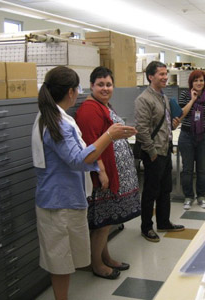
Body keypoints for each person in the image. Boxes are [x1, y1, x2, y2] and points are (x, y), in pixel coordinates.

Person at [31, 66, 136, 300]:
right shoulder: (57, 122)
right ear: (71, 91)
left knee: (66, 258)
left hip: (65, 198)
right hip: (59, 203)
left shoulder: (55, 116)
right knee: (60, 260)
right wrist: (109, 135)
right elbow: (79, 159)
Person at [75, 67, 140, 280]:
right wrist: (101, 172)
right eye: (100, 84)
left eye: (109, 84)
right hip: (103, 176)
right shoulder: (89, 109)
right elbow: (91, 142)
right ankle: (97, 265)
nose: (105, 88)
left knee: (107, 222)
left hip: (113, 174)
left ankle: (106, 257)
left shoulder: (103, 106)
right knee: (102, 224)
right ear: (91, 86)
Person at [134, 61, 185, 243]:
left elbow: (162, 124)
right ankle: (146, 227)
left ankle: (163, 222)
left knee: (165, 189)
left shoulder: (163, 97)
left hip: (165, 149)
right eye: (161, 74)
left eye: (166, 74)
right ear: (150, 77)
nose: (165, 77)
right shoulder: (143, 99)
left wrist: (172, 125)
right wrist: (152, 152)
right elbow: (142, 129)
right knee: (150, 191)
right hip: (154, 153)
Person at [178, 70, 205, 210]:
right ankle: (188, 197)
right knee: (187, 169)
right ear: (191, 82)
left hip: (204, 136)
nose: (199, 83)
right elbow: (181, 115)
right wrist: (193, 100)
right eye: (196, 80)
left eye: (201, 80)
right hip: (187, 136)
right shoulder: (185, 94)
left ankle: (201, 196)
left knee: (202, 169)